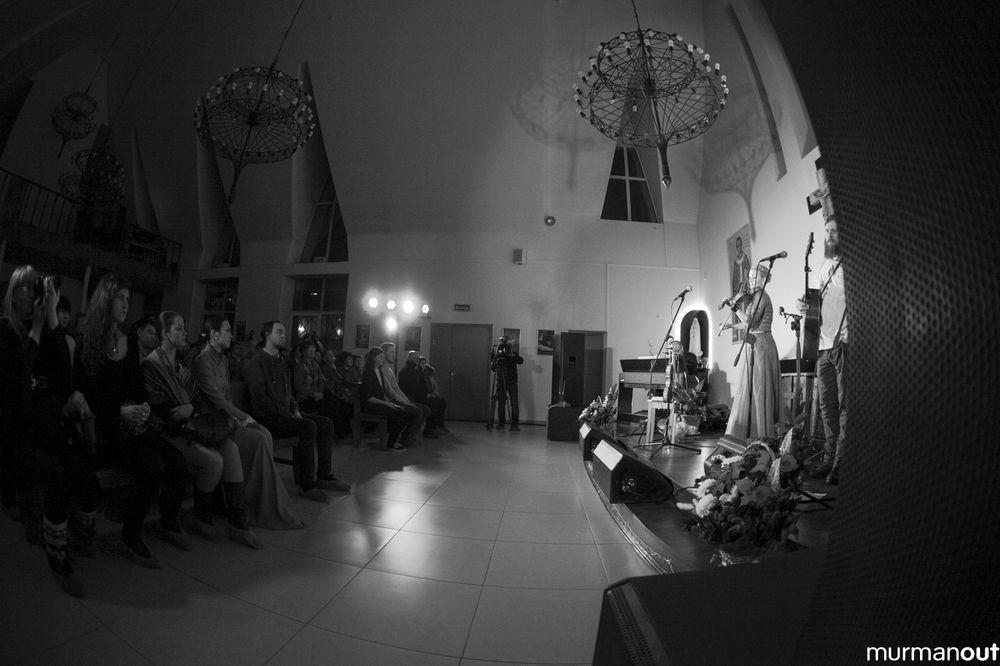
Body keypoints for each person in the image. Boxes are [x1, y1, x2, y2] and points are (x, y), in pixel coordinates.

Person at [76, 274, 189, 569]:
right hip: (103, 428)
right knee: (152, 466)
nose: (126, 304)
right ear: (105, 301)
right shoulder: (89, 341)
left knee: (176, 460)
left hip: (129, 423)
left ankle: (168, 520)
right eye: (120, 298)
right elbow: (89, 395)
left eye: (128, 298)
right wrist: (121, 411)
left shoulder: (126, 340)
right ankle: (130, 535)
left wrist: (142, 407)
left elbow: (136, 386)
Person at [1, 267, 100, 596]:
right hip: (17, 433)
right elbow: (18, 383)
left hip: (49, 426)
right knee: (59, 477)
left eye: (37, 288)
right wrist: (37, 328)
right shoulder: (5, 330)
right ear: (12, 293)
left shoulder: (44, 330)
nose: (33, 294)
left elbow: (65, 376)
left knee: (86, 475)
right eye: (26, 287)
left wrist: (53, 320)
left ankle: (76, 533)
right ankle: (57, 552)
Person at [142, 311, 262, 549]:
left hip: (192, 425)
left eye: (184, 327)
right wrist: (186, 409)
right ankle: (200, 514)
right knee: (214, 461)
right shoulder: (153, 364)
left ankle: (238, 522)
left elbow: (196, 398)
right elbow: (159, 407)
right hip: (168, 430)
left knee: (230, 450)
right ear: (165, 334)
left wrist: (189, 407)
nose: (185, 333)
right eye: (178, 329)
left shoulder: (180, 364)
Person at [193, 316, 304, 530]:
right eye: (227, 330)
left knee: (264, 433)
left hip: (226, 418)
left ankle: (261, 500)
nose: (231, 335)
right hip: (211, 422)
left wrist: (239, 417)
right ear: (214, 335)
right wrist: (242, 417)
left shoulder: (223, 360)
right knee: (259, 437)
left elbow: (228, 397)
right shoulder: (202, 360)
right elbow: (218, 400)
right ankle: (251, 503)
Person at [243, 321, 350, 503]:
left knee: (326, 423)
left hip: (285, 412)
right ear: (267, 334)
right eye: (279, 332)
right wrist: (286, 413)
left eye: (284, 332)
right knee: (307, 427)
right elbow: (259, 396)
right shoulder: (257, 361)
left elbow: (289, 393)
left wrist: (295, 408)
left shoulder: (281, 361)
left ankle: (324, 475)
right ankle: (307, 485)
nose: (284, 335)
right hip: (266, 416)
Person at [797, 217, 848, 485]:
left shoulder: (852, 265)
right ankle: (828, 460)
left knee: (845, 406)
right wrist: (803, 304)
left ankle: (841, 463)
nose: (829, 235)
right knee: (827, 407)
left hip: (844, 344)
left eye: (834, 231)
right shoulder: (822, 266)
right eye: (826, 231)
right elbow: (815, 301)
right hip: (822, 346)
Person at [723, 263, 784, 441]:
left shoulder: (761, 296)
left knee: (760, 388)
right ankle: (749, 431)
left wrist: (735, 308)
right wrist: (730, 325)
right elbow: (747, 325)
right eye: (749, 277)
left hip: (762, 344)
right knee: (752, 387)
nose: (750, 281)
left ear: (763, 279)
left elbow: (751, 322)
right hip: (755, 342)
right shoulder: (755, 297)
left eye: (754, 277)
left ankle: (762, 434)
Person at [380, 342, 431, 445]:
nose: (394, 355)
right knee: (418, 411)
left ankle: (409, 435)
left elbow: (397, 388)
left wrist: (406, 400)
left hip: (397, 399)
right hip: (389, 401)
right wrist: (405, 402)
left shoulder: (389, 370)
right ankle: (406, 438)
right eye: (391, 352)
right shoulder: (381, 369)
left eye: (394, 352)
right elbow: (390, 391)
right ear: (384, 354)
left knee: (426, 409)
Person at [359, 347, 409, 451]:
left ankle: (391, 439)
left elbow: (383, 391)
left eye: (383, 357)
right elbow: (368, 397)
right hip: (370, 405)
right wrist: (386, 403)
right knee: (399, 413)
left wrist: (389, 402)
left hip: (379, 403)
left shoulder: (379, 371)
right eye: (380, 357)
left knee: (402, 410)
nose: (383, 359)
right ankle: (391, 443)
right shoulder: (368, 372)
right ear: (374, 358)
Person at [398, 350, 440, 438]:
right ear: (409, 358)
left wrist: (429, 394)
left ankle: (428, 428)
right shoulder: (407, 371)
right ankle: (409, 434)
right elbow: (411, 389)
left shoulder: (415, 370)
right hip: (409, 398)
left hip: (415, 396)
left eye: (417, 358)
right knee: (427, 407)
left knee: (437, 402)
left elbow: (422, 386)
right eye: (414, 358)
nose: (417, 360)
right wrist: (425, 395)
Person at [488, 336, 524, 431]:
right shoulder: (499, 354)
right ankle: (504, 424)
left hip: (510, 381)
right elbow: (493, 368)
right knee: (503, 403)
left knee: (512, 403)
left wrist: (510, 355)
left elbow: (520, 361)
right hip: (502, 380)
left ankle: (512, 425)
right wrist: (495, 357)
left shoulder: (512, 353)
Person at [419, 357, 448, 432]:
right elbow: (419, 388)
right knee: (433, 404)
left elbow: (433, 386)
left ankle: (440, 424)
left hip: (430, 394)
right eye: (422, 363)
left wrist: (434, 394)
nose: (424, 365)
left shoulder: (428, 374)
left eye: (425, 363)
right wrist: (428, 395)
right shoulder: (418, 374)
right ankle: (430, 428)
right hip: (422, 396)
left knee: (442, 402)